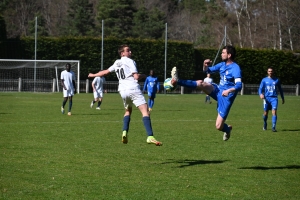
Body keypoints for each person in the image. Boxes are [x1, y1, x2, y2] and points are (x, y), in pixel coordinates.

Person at [88, 44, 162, 146]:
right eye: (128, 50)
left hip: (123, 91)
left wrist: (93, 75)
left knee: (128, 111)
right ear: (122, 53)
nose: (130, 52)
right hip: (133, 88)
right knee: (145, 112)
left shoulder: (117, 62)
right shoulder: (130, 61)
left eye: (130, 50)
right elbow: (136, 77)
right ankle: (150, 136)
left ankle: (124, 132)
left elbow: (105, 72)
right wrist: (144, 75)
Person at [170, 45, 242, 141]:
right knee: (201, 83)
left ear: (229, 55)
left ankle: (227, 129)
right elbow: (207, 71)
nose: (221, 54)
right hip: (218, 91)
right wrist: (205, 65)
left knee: (218, 126)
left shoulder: (236, 68)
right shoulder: (222, 65)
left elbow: (239, 86)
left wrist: (228, 90)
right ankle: (178, 81)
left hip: (227, 97)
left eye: (223, 52)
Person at [258, 67, 284, 132]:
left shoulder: (277, 80)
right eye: (269, 71)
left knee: (274, 112)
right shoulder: (264, 80)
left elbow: (280, 90)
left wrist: (282, 98)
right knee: (265, 114)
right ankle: (265, 123)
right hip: (266, 99)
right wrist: (260, 94)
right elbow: (260, 89)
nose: (270, 72)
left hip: (274, 98)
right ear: (267, 72)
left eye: (271, 71)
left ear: (273, 72)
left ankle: (273, 127)